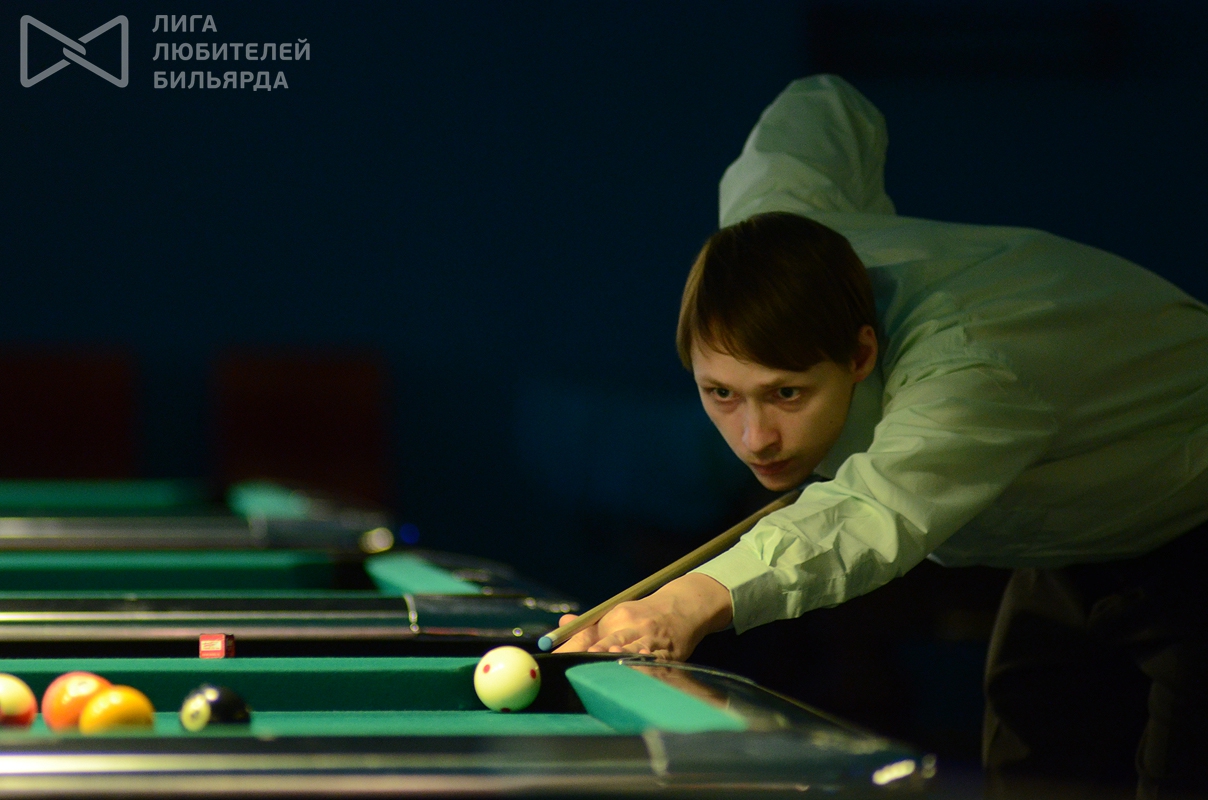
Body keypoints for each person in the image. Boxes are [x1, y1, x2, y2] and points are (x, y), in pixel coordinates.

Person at [556, 75, 1208, 798]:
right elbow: (821, 103)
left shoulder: (972, 367)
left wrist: (681, 604)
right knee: (1033, 769)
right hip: (1073, 540)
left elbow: (871, 512)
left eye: (787, 394)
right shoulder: (771, 246)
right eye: (721, 394)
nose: (755, 437)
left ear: (862, 354)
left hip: (1193, 517)